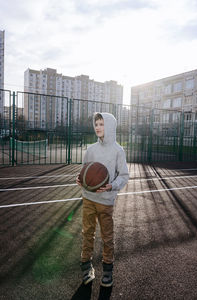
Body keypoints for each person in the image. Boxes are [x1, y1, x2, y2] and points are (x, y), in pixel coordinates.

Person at [76, 112, 129, 287]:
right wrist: (80, 179)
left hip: (106, 201)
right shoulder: (91, 149)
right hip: (89, 198)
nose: (98, 127)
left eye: (102, 124)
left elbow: (124, 176)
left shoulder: (118, 151)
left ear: (110, 126)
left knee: (107, 236)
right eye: (96, 124)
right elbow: (84, 171)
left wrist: (112, 185)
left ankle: (107, 269)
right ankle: (86, 266)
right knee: (87, 233)